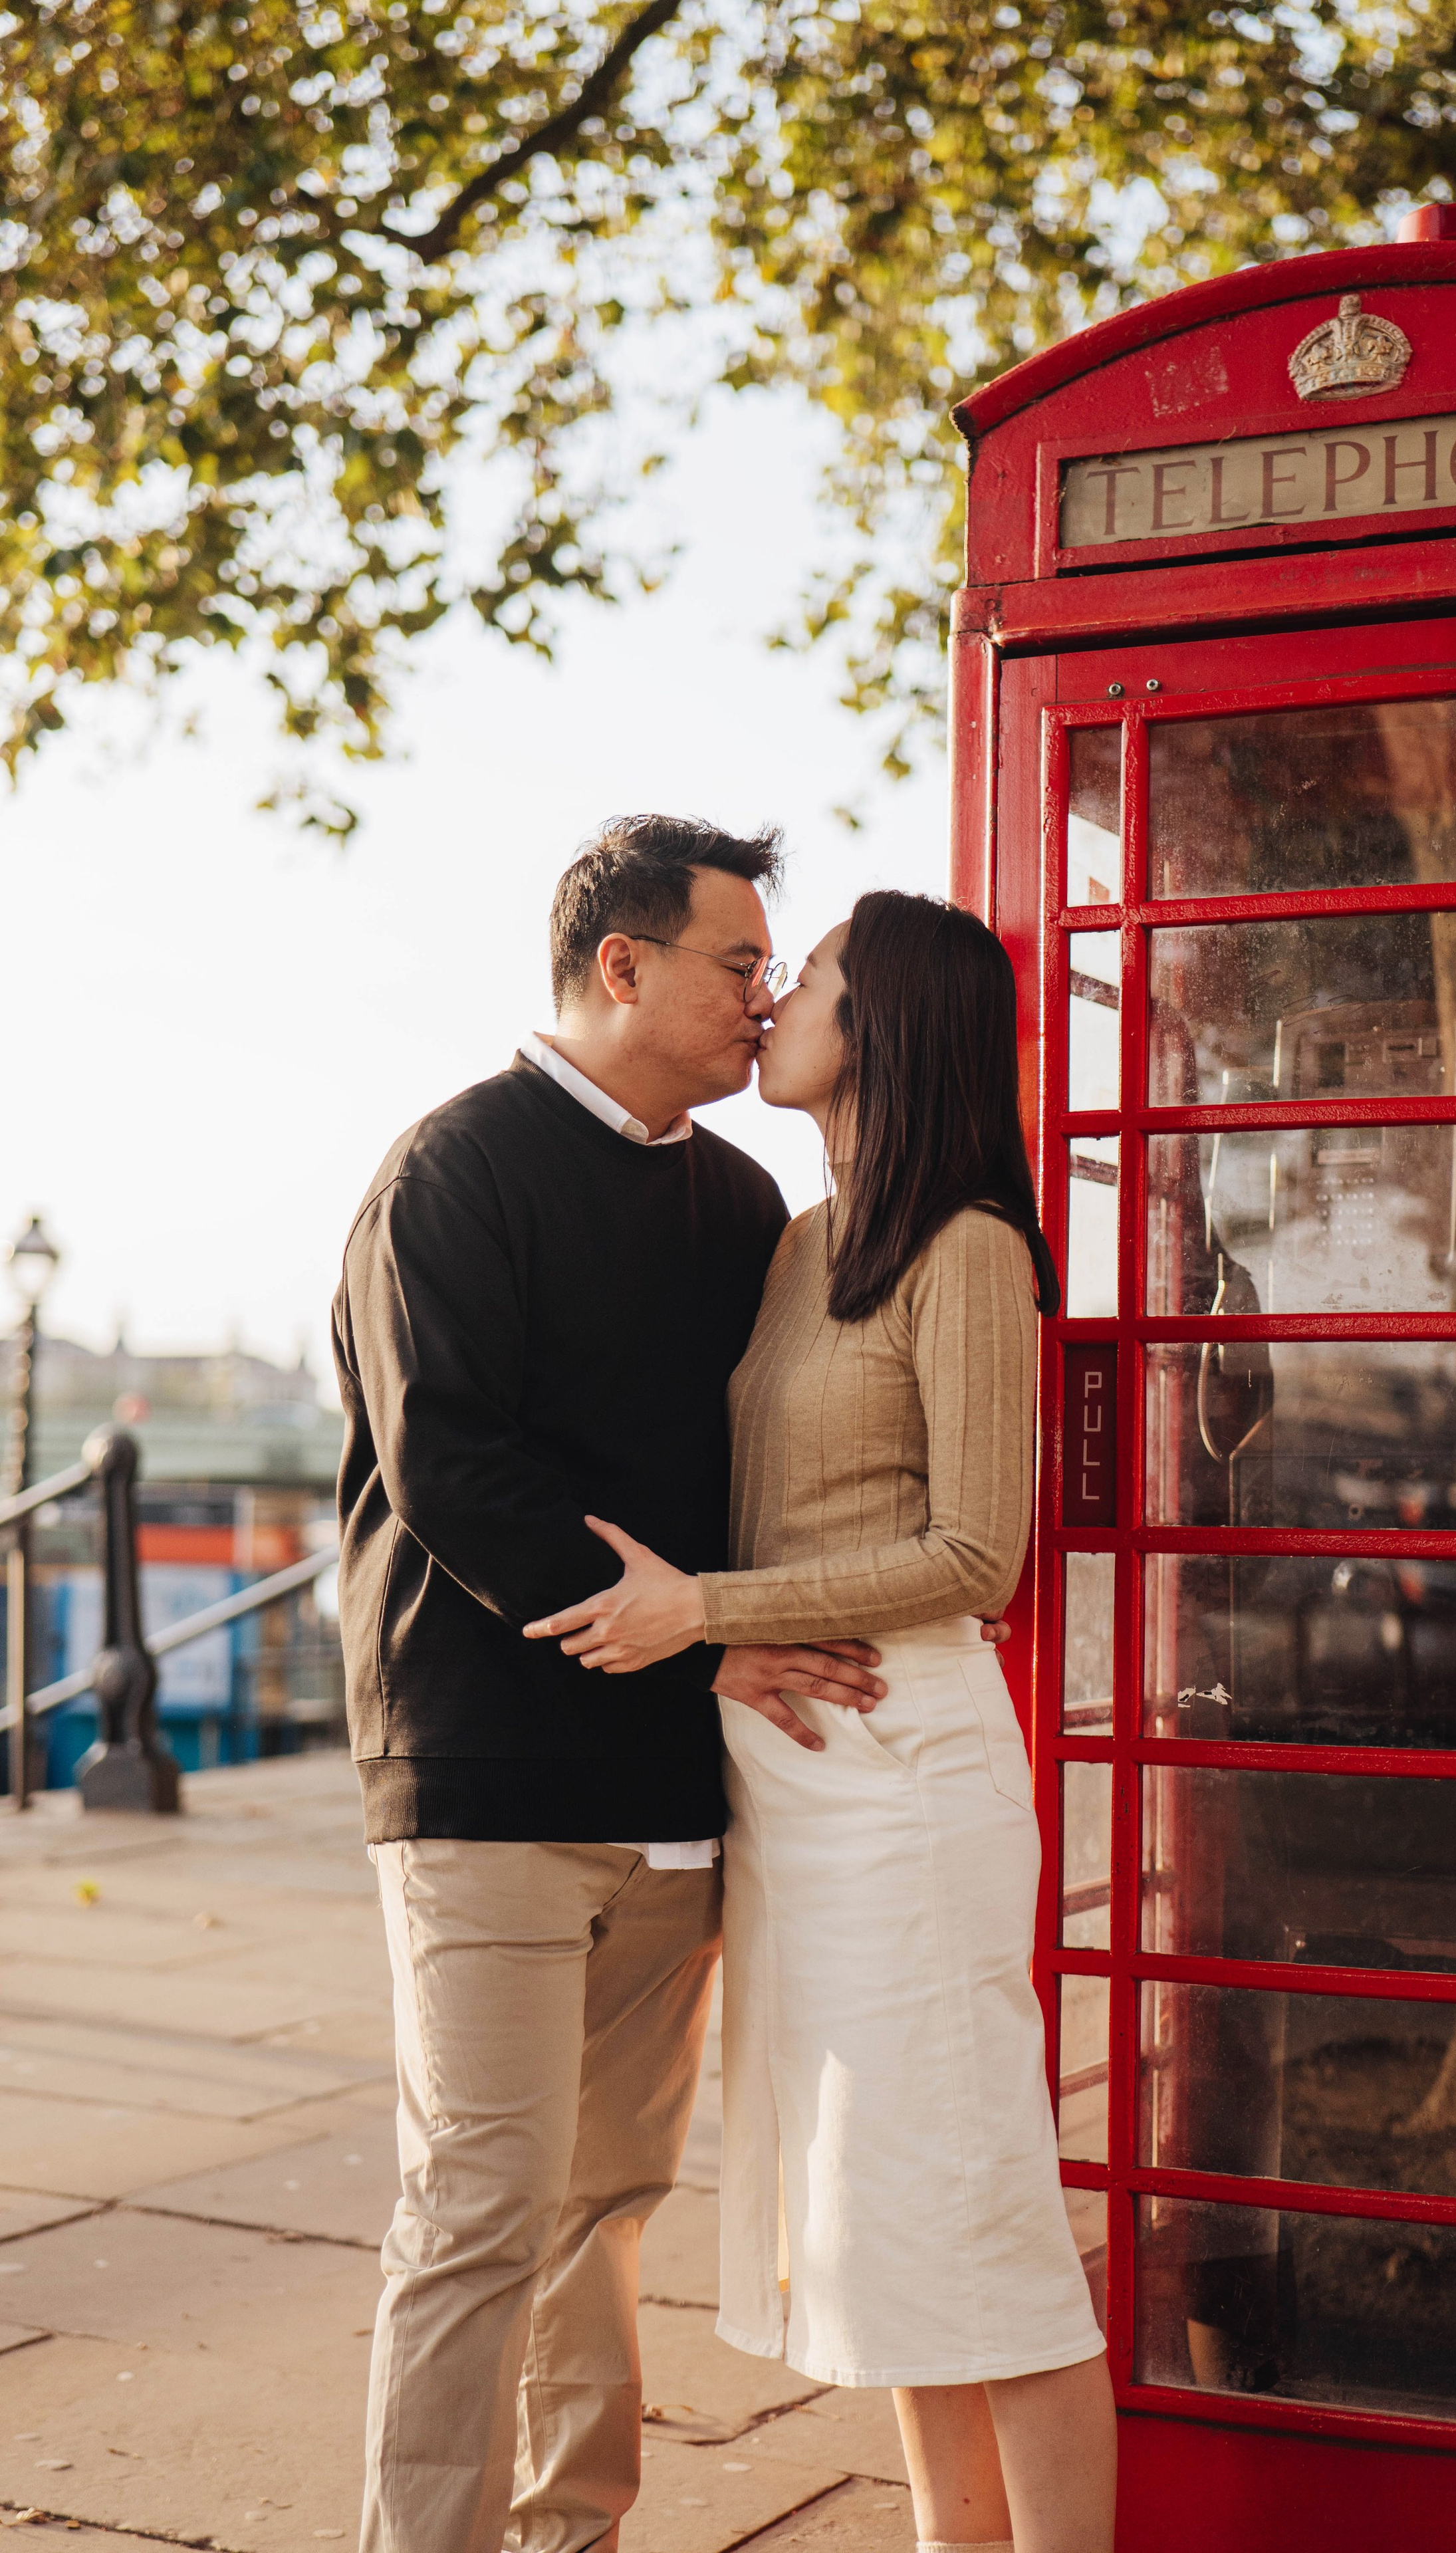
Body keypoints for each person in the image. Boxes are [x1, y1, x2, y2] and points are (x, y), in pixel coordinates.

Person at [527, 892, 1120, 2553]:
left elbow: (973, 1551)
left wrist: (703, 1610)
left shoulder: (969, 1248)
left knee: (981, 2214)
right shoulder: (806, 1239)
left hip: (906, 1767)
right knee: (887, 2226)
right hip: (792, 1778)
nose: (775, 995)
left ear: (886, 1027)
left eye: (815, 977)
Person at [334, 814, 893, 2553]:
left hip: (676, 1793)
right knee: (480, 2209)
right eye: (741, 961)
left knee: (612, 2208)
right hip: (486, 1779)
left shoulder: (740, 1200)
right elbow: (454, 1473)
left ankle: (574, 2533)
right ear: (621, 965)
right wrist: (715, 1632)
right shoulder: (454, 1172)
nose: (766, 992)